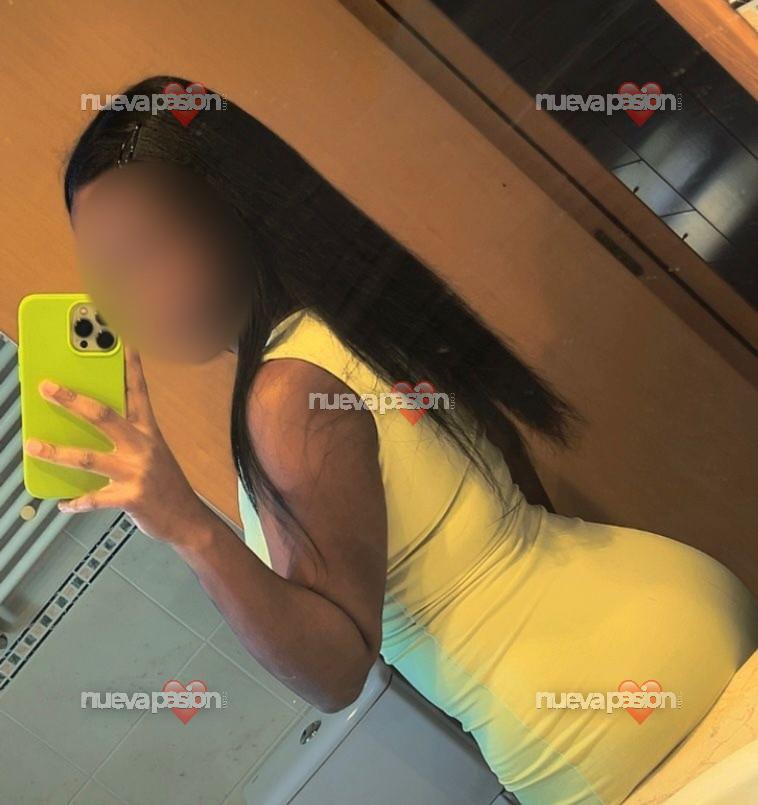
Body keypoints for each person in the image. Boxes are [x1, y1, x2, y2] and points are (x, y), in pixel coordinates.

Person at [26, 75, 757, 804]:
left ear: (232, 213)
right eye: (102, 271)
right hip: (677, 611)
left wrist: (185, 523)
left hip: (597, 726)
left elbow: (335, 673)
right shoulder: (350, 315)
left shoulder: (283, 394)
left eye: (140, 256)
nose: (117, 301)